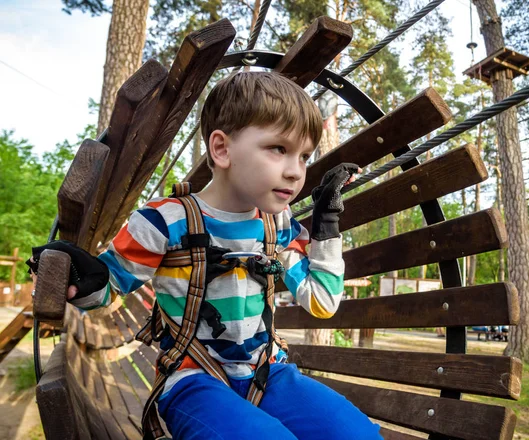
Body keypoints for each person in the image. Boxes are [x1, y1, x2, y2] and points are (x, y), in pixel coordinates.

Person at [27, 72, 382, 440]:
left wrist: (326, 226)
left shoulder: (277, 225)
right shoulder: (165, 222)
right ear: (222, 149)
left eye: (304, 156)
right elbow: (106, 288)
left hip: (266, 372)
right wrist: (85, 276)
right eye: (279, 148)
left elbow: (321, 302)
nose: (295, 172)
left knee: (358, 435)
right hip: (190, 380)